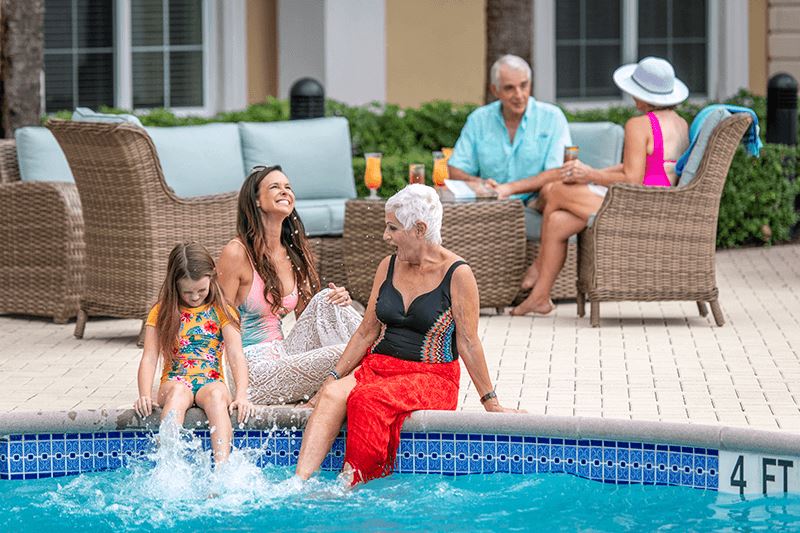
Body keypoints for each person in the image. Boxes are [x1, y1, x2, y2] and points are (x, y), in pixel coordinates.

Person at [294, 184, 521, 486]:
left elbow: (468, 342)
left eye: (392, 228)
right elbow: (367, 331)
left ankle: (350, 486)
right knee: (333, 395)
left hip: (433, 377)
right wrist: (332, 377)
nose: (386, 236)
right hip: (381, 366)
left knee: (367, 399)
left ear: (419, 229)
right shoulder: (387, 266)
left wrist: (490, 402)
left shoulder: (458, 274)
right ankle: (298, 482)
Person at [512, 56, 690, 316]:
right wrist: (590, 174)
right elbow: (644, 168)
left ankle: (538, 269)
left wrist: (589, 173)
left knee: (557, 190)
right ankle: (540, 297)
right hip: (660, 203)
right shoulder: (680, 123)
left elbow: (631, 178)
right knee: (560, 220)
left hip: (639, 207)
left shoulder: (638, 125)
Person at [217, 165, 362, 405]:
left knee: (328, 299)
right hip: (252, 370)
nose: (285, 192)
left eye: (288, 187)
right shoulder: (236, 253)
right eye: (275, 187)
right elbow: (218, 321)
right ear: (256, 201)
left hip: (283, 353)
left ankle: (388, 356)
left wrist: (340, 301)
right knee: (347, 354)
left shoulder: (294, 250)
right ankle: (384, 366)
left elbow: (310, 318)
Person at [133, 242, 253, 463]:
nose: (195, 297)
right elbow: (149, 357)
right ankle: (168, 465)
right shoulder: (161, 312)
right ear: (174, 285)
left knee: (217, 396)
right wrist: (144, 394)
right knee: (179, 393)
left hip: (211, 380)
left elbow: (236, 356)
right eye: (187, 292)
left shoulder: (223, 310)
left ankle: (222, 468)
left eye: (201, 290)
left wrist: (242, 395)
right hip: (174, 381)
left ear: (212, 279)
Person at [448, 54, 572, 235]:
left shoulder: (552, 117)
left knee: (552, 190)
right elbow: (456, 169)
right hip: (490, 200)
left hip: (537, 201)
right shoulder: (479, 119)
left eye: (524, 85)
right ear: (495, 90)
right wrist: (481, 183)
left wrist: (510, 188)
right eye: (509, 88)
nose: (519, 95)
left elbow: (558, 171)